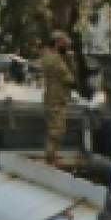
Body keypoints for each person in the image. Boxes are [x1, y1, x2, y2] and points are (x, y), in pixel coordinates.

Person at [37, 33, 74, 163]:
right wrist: (69, 60)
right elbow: (69, 78)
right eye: (65, 44)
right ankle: (50, 156)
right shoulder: (53, 59)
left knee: (58, 128)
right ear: (57, 42)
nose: (66, 47)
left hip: (57, 97)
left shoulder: (52, 57)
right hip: (55, 98)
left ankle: (52, 154)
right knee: (57, 129)